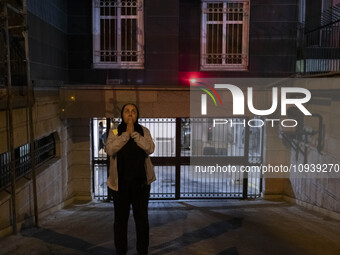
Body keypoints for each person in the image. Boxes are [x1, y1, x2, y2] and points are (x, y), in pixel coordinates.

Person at [105, 103, 156, 255]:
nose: (130, 114)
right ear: (122, 114)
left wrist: (134, 134)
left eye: (133, 111)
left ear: (137, 115)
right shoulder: (115, 130)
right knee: (120, 222)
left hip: (141, 185)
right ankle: (121, 251)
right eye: (127, 111)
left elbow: (150, 148)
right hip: (120, 186)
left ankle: (142, 251)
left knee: (142, 221)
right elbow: (110, 149)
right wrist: (126, 134)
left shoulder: (143, 130)